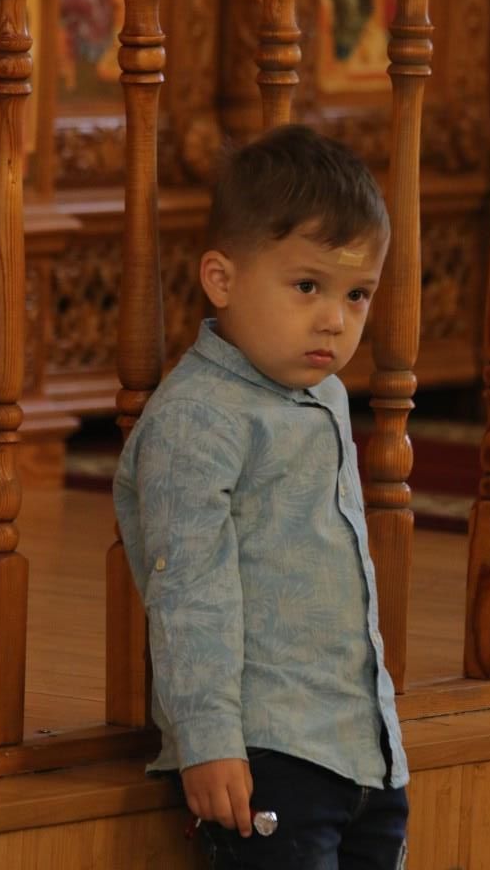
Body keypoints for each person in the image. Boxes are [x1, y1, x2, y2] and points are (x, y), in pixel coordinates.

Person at [113, 124, 409, 869]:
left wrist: (383, 744)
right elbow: (189, 591)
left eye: (357, 294)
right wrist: (208, 740)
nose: (334, 318)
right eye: (307, 286)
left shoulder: (326, 397)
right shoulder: (197, 420)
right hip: (265, 755)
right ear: (222, 279)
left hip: (362, 751)